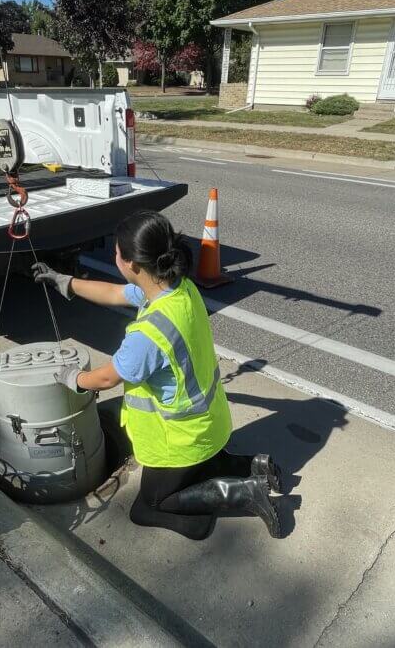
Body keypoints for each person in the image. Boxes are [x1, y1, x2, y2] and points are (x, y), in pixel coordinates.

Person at [32, 210, 283, 540]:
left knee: (148, 508)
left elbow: (107, 378)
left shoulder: (149, 334)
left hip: (179, 439)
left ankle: (243, 493)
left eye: (117, 252)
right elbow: (114, 293)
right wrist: (67, 283)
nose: (115, 256)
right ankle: (256, 466)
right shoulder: (179, 290)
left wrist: (73, 379)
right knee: (205, 468)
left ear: (132, 264)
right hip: (210, 423)